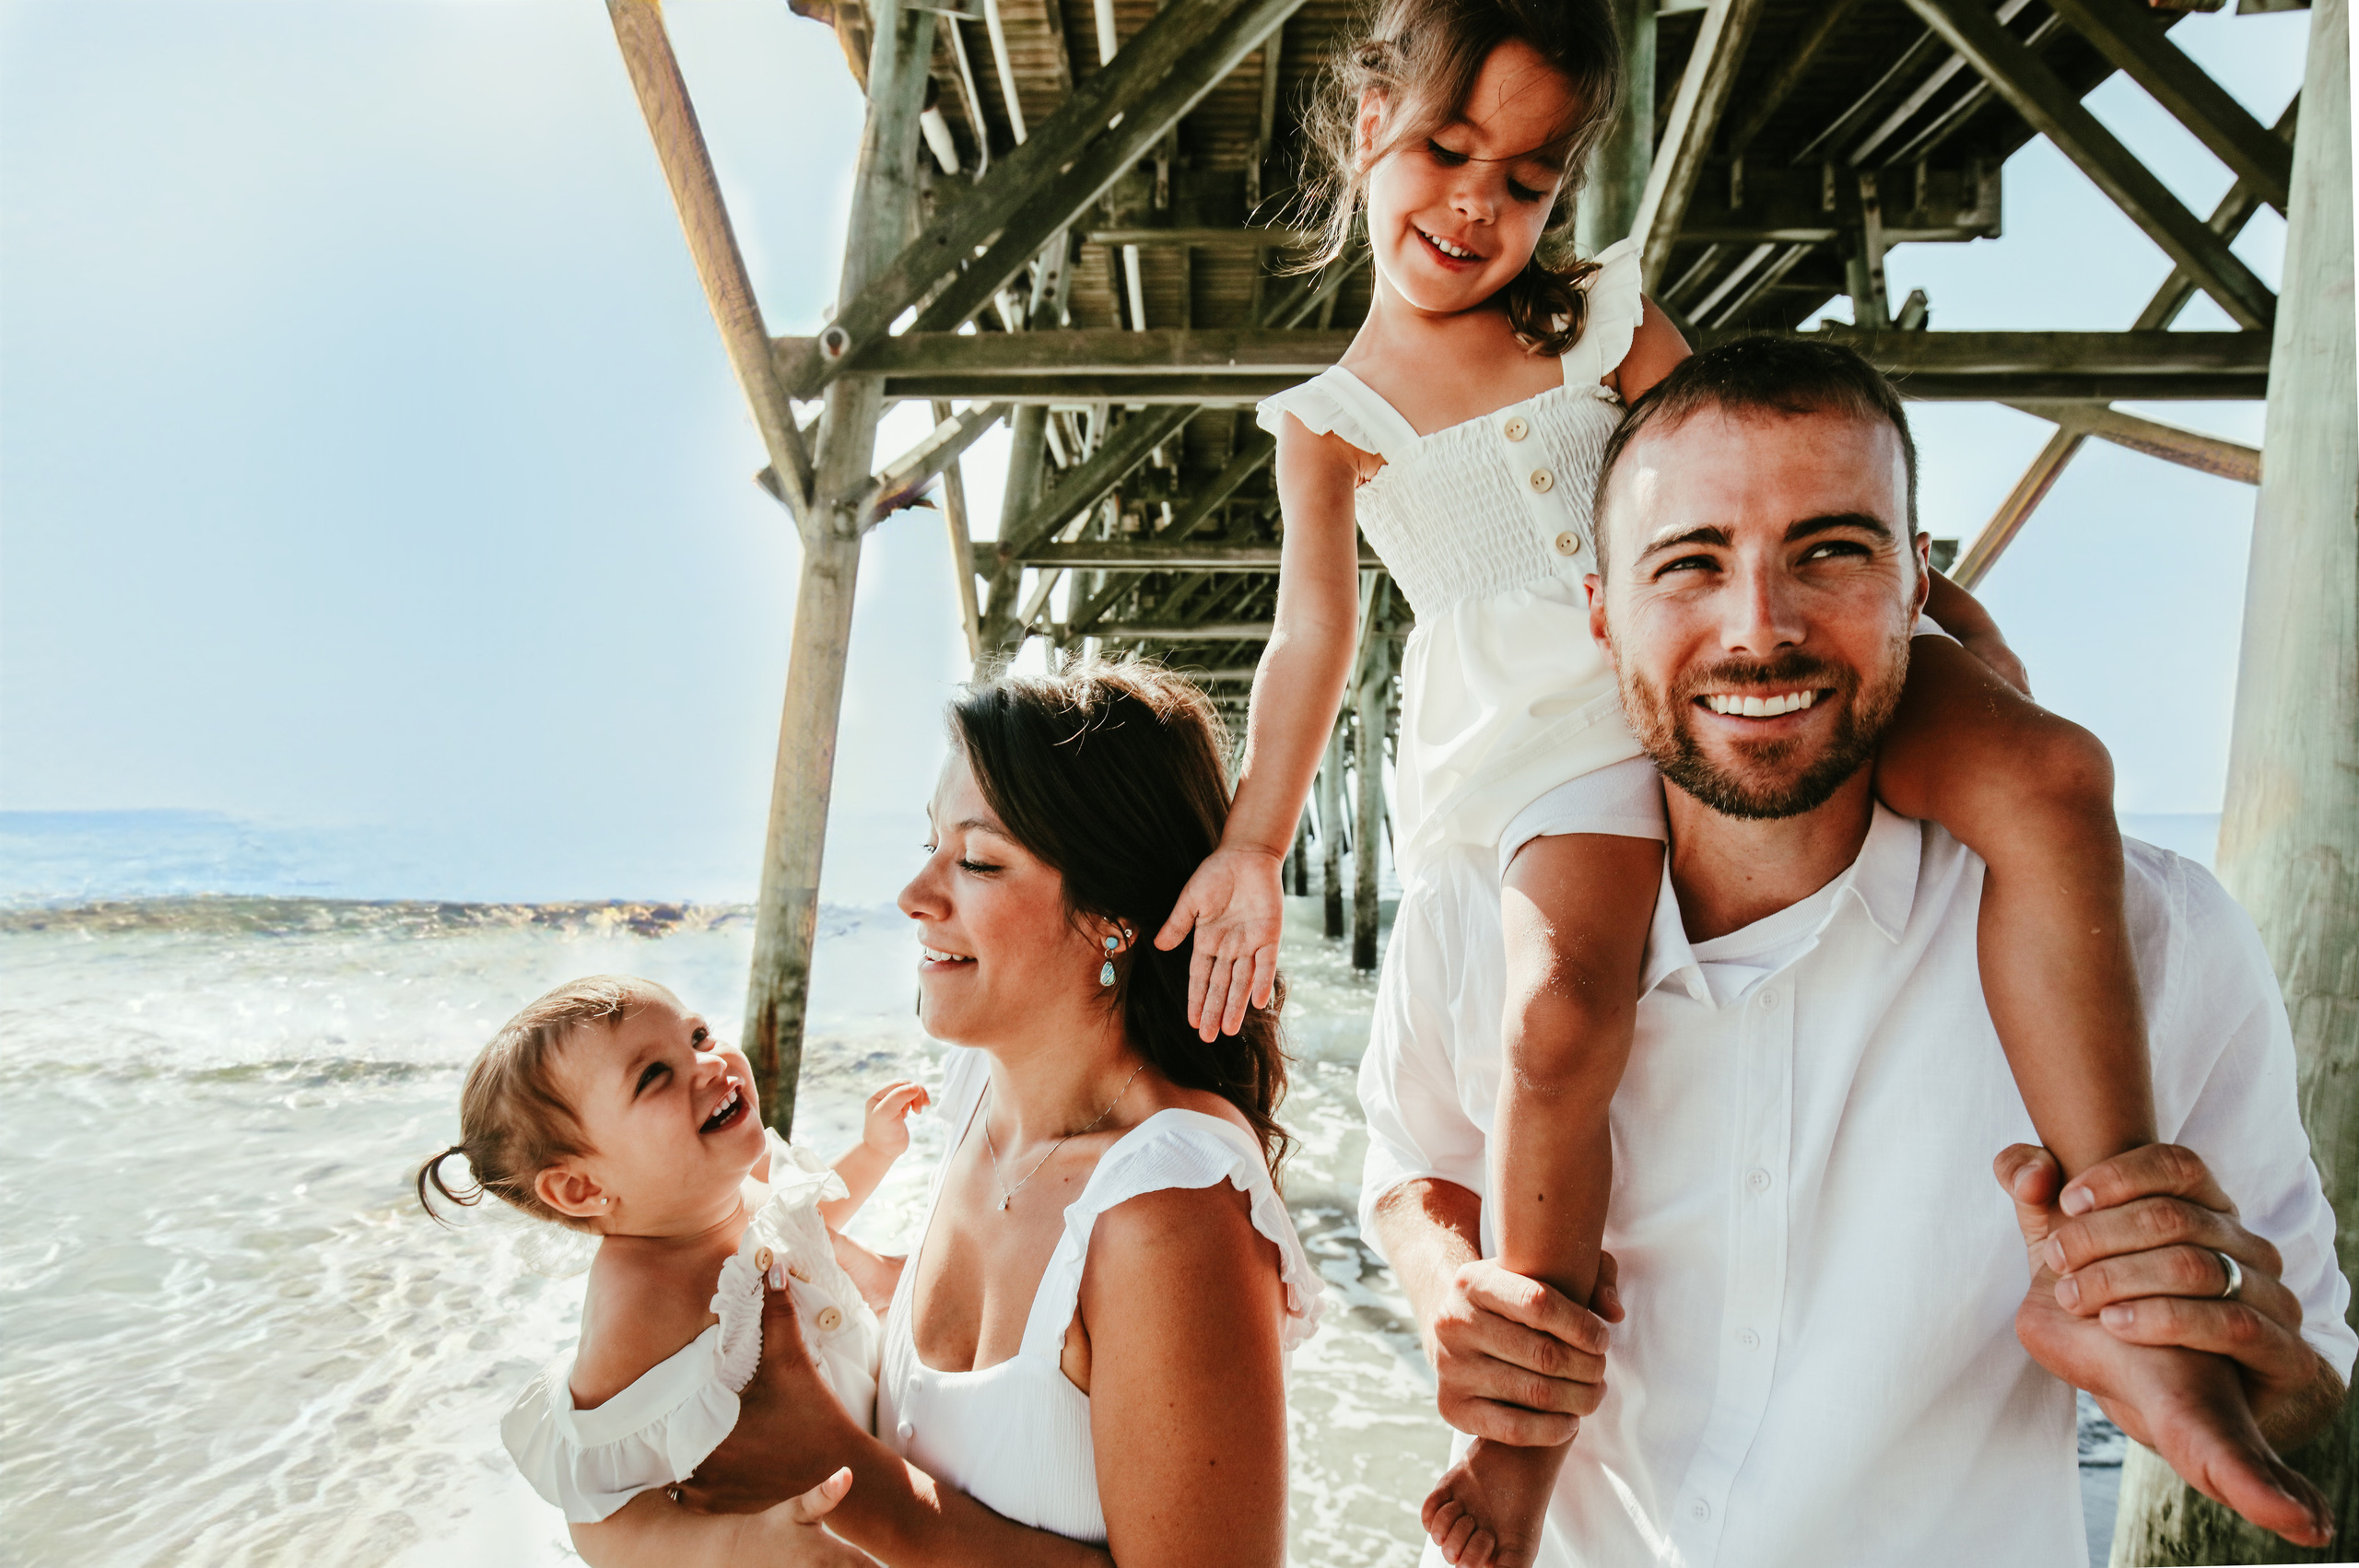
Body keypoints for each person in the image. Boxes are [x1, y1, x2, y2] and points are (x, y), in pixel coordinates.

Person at [1159, 1, 2177, 1559]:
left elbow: (1745, 474)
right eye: (1445, 153)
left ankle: (2130, 1275)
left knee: (2050, 771)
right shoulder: (1330, 423)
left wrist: (1919, 605)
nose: (1476, 208)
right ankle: (1518, 1439)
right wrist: (1252, 840)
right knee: (1563, 1006)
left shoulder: (1601, 318)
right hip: (1551, 735)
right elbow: (1313, 638)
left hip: (1738, 645)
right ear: (1366, 128)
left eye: (1527, 179)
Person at [1361, 336, 2353, 1567]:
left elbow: (2319, 1393)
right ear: (1602, 615)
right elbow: (1408, 1157)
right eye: (1691, 564)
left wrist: (2248, 1351)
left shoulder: (2161, 936)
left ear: (1918, 582)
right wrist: (1444, 1276)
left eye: (1831, 550)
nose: (1759, 629)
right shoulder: (1482, 912)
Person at [616, 661, 1323, 1568]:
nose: (915, 893)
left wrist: (841, 1470)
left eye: (979, 860)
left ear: (1113, 916)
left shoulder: (1166, 1208)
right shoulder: (976, 1089)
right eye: (929, 842)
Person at [416, 977, 928, 1563]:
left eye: (699, 1035)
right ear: (582, 1187)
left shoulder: (736, 1191)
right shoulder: (639, 1303)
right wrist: (740, 1545)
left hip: (878, 1471)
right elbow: (602, 1514)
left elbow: (808, 1222)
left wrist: (874, 1152)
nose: (711, 1064)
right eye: (654, 1075)